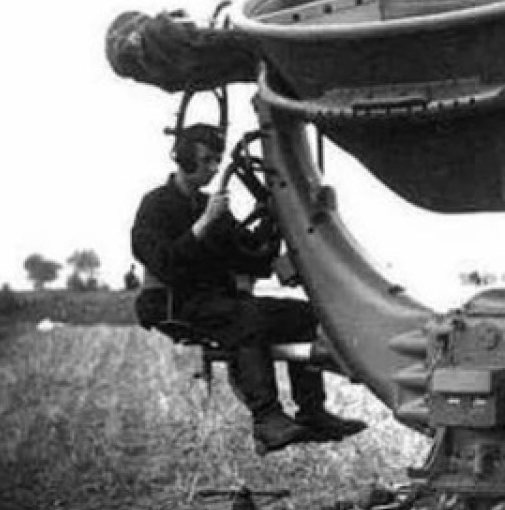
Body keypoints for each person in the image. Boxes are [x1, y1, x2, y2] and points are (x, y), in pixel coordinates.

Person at [131, 123, 367, 454]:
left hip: (219, 301)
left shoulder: (211, 207)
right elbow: (165, 263)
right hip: (177, 302)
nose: (215, 168)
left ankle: (312, 412)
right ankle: (267, 420)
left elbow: (251, 257)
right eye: (207, 160)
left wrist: (273, 217)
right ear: (183, 158)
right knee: (246, 317)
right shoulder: (156, 205)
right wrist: (204, 224)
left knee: (305, 316)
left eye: (217, 160)